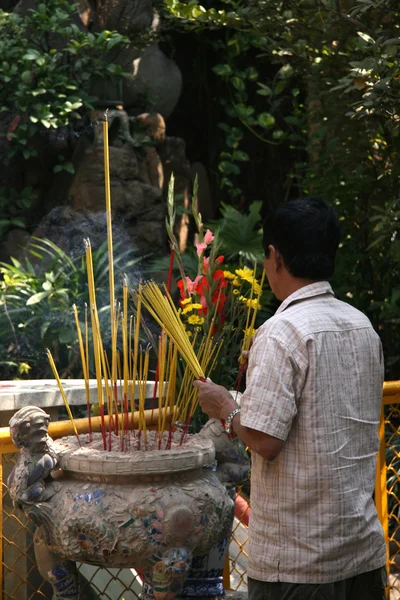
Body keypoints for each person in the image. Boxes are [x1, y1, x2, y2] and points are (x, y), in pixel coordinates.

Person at [193, 197, 387, 600]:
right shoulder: (362, 326)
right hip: (361, 552)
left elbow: (265, 441)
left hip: (299, 565)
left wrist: (224, 408)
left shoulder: (282, 332)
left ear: (274, 257)